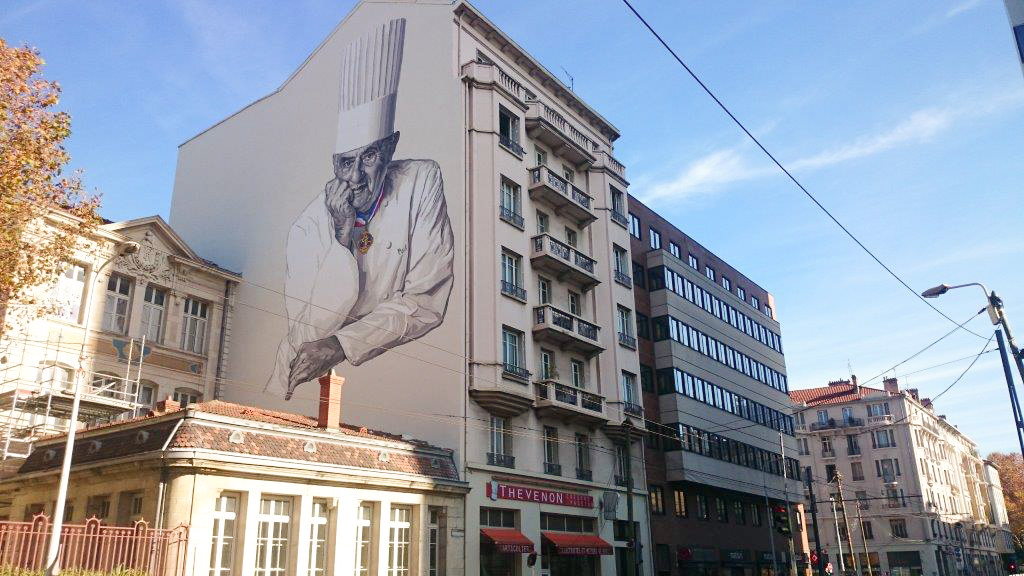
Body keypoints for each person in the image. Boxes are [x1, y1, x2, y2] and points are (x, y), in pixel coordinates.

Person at [267, 18, 454, 400]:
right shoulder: (307, 226)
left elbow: (425, 301)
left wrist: (342, 345)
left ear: (391, 148)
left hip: (367, 374)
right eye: (343, 162)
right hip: (296, 380)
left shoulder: (421, 179)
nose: (354, 177)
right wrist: (340, 236)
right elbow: (307, 332)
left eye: (368, 156)